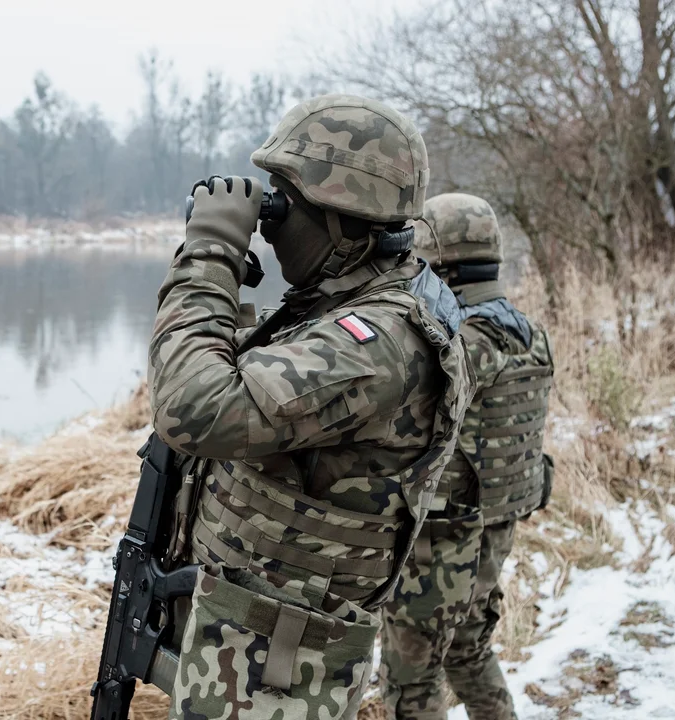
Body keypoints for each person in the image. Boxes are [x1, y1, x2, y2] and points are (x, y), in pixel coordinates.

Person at [147, 94, 474, 720]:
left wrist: (210, 251)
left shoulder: (379, 340)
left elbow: (193, 406)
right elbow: (249, 388)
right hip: (249, 643)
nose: (269, 220)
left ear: (342, 219)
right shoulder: (347, 297)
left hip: (277, 671)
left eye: (281, 203)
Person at [380, 193, 556, 720]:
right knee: (469, 650)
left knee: (412, 684)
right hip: (493, 531)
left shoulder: (462, 343)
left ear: (441, 265)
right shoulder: (529, 334)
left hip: (445, 540)